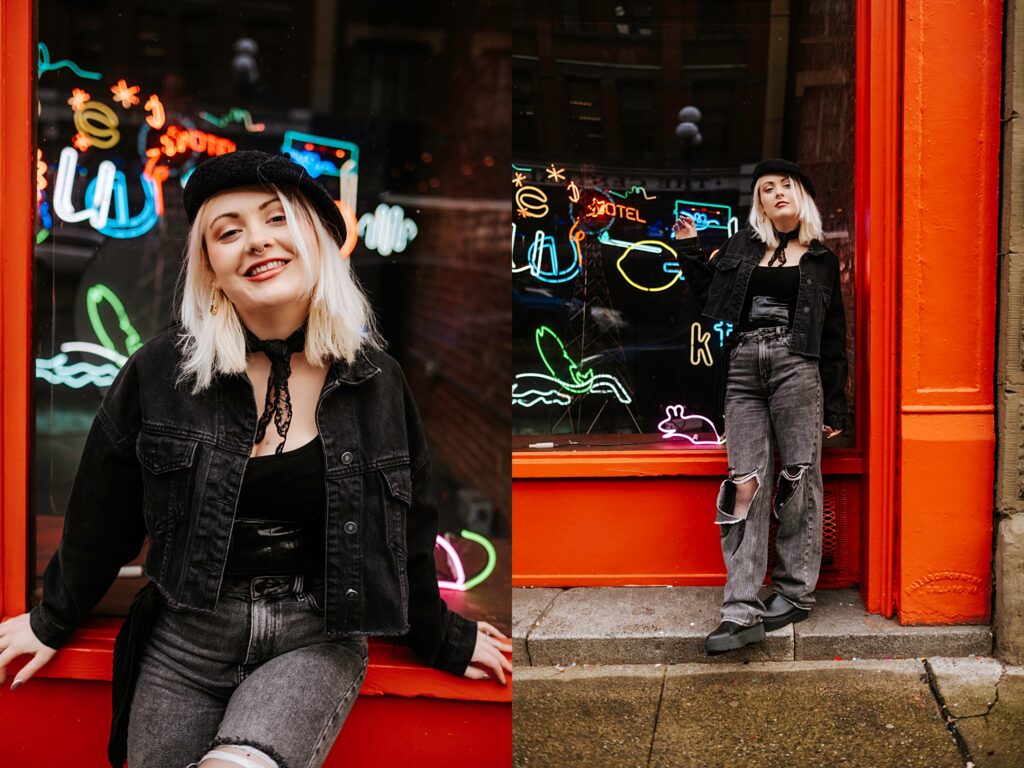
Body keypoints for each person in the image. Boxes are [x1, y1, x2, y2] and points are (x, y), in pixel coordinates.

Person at [0, 150, 512, 768]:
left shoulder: (376, 380)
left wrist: (443, 637)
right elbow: (100, 517)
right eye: (229, 231)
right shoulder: (162, 372)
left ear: (317, 242)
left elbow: (407, 529)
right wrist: (50, 618)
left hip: (314, 639)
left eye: (276, 219)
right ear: (211, 267)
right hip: (185, 641)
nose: (257, 242)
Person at [672, 158, 849, 656]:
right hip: (744, 366)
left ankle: (794, 592)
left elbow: (833, 337)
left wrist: (836, 404)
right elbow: (709, 296)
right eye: (765, 189)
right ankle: (740, 611)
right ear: (759, 204)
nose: (774, 193)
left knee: (798, 479)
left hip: (798, 365)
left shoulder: (821, 260)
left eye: (783, 185)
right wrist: (689, 250)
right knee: (743, 484)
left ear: (801, 195)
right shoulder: (744, 248)